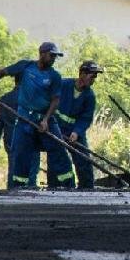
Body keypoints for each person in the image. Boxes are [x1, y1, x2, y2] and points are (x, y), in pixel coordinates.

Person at [0, 41, 74, 189]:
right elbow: (1, 73)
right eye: (52, 55)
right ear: (42, 53)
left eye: (56, 57)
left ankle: (69, 186)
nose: (54, 59)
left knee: (58, 150)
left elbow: (55, 100)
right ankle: (17, 188)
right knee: (20, 154)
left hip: (45, 119)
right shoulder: (25, 66)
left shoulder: (54, 76)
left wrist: (46, 120)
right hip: (24, 120)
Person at [50, 60, 104, 189]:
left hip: (75, 133)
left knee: (84, 160)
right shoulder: (63, 85)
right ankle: (54, 187)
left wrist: (76, 132)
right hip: (57, 129)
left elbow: (86, 118)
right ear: (82, 74)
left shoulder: (89, 96)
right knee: (56, 159)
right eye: (92, 76)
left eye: (95, 77)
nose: (93, 80)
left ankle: (87, 189)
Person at [0, 74, 41, 188]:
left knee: (13, 170)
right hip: (30, 141)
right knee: (31, 173)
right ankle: (30, 196)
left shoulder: (5, 98)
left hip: (11, 141)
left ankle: (11, 195)